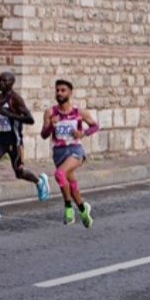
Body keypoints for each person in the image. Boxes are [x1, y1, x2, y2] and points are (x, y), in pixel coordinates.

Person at [0, 71, 52, 208]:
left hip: (14, 142)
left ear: (11, 83)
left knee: (19, 173)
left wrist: (9, 114)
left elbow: (30, 119)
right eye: (0, 80)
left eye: (5, 81)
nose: (1, 83)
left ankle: (39, 181)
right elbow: (0, 115)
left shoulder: (15, 99)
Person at [43, 79, 99, 226]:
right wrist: (51, 126)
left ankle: (68, 207)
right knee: (70, 183)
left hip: (75, 150)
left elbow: (95, 126)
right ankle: (82, 209)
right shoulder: (50, 113)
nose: (59, 93)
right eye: (57, 90)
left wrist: (82, 133)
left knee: (59, 174)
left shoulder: (79, 112)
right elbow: (43, 134)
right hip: (59, 152)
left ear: (70, 93)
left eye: (63, 90)